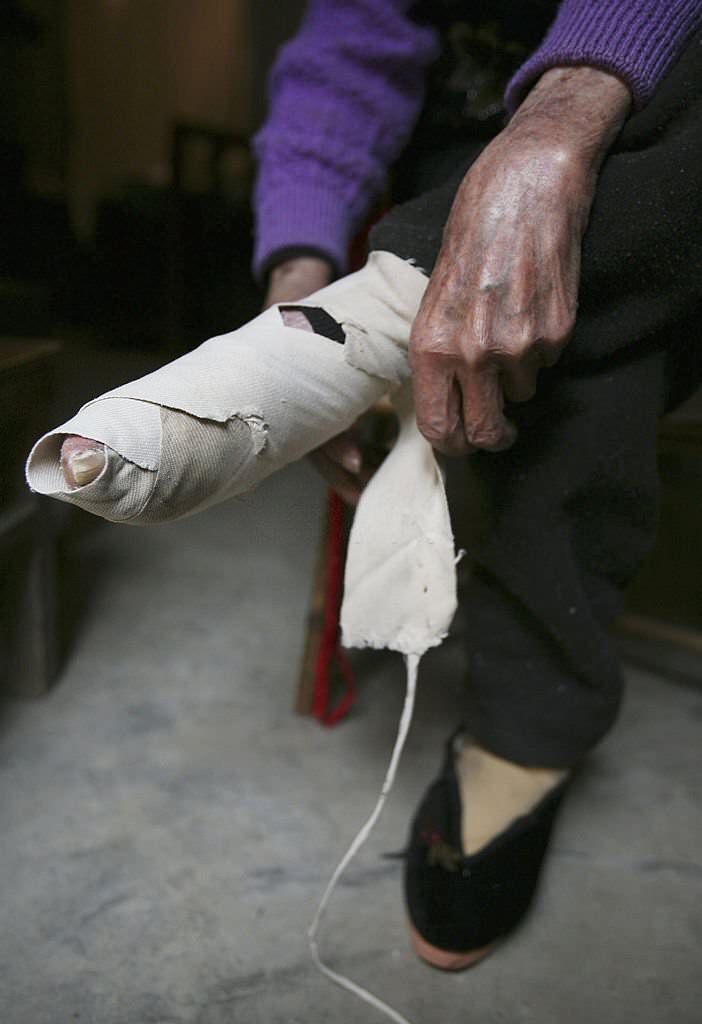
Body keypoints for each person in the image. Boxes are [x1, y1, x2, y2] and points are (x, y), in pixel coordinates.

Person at [31, 0, 702, 974]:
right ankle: (366, 316)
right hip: (464, 174)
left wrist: (565, 121)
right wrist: (298, 278)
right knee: (571, 340)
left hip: (650, 137)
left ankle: (380, 317)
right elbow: (348, 55)